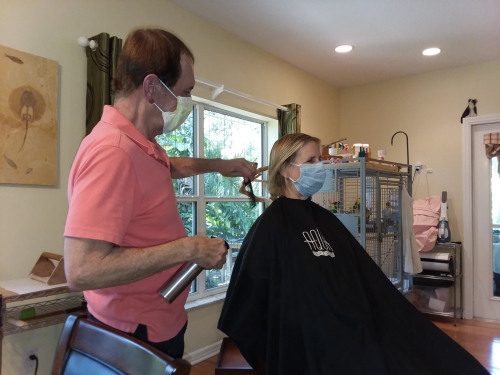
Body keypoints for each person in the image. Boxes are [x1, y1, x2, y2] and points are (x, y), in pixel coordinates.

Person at [218, 133, 488, 375]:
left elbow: (361, 275)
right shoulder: (272, 225)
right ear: (287, 169)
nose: (320, 167)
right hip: (308, 335)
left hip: (348, 325)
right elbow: (251, 293)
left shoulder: (324, 219)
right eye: (311, 161)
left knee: (419, 352)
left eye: (320, 159)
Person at [63, 27, 257, 359]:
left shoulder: (141, 145)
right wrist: (190, 248)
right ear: (153, 87)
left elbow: (167, 166)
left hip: (158, 319)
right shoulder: (114, 152)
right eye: (186, 92)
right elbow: (82, 270)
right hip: (133, 334)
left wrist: (221, 165)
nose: (188, 103)